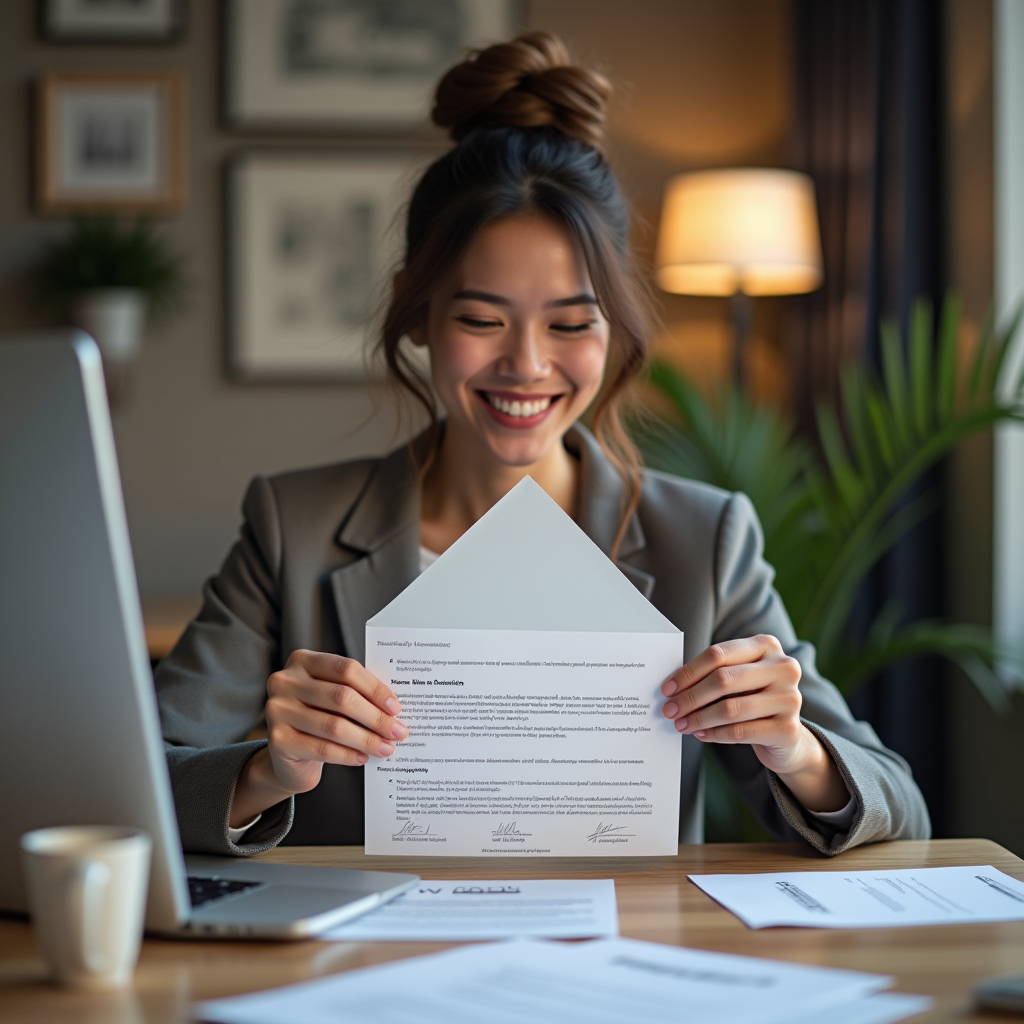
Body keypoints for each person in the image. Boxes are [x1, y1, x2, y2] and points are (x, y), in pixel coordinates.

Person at [156, 32, 929, 856]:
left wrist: (794, 748)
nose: (525, 365)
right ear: (413, 311)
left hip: (617, 956)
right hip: (367, 959)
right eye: (481, 320)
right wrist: (270, 770)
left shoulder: (701, 540)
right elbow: (141, 782)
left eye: (570, 324)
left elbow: (902, 809)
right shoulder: (293, 528)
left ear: (616, 327)